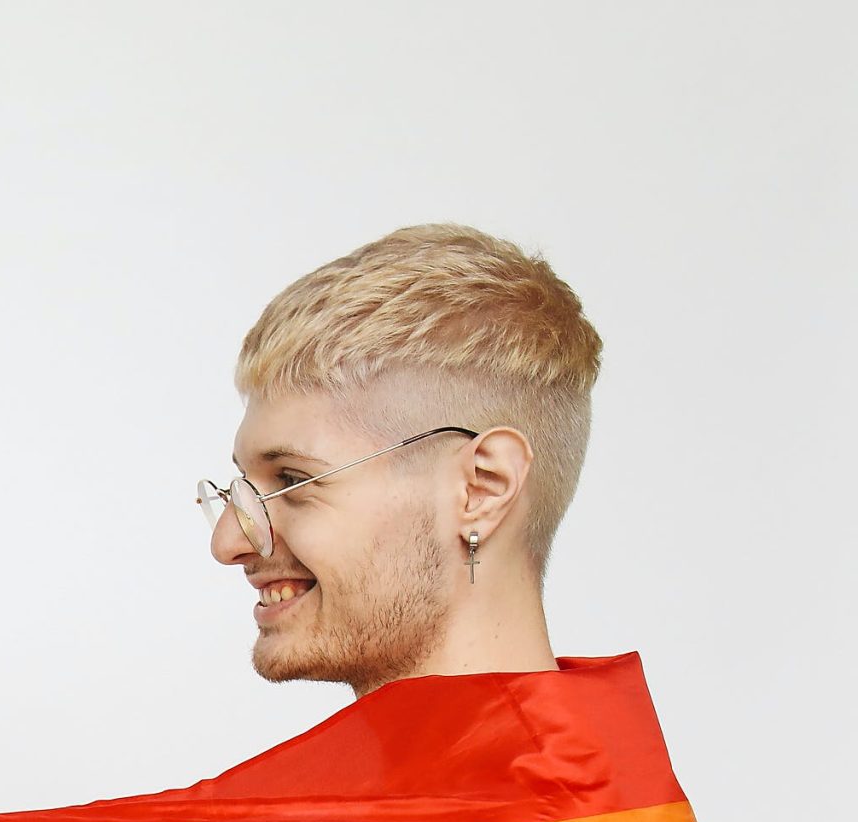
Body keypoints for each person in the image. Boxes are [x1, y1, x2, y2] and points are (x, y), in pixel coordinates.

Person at [199, 222, 599, 691]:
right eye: (242, 488)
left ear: (481, 489)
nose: (228, 542)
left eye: (291, 480)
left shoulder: (549, 766)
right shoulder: (594, 760)